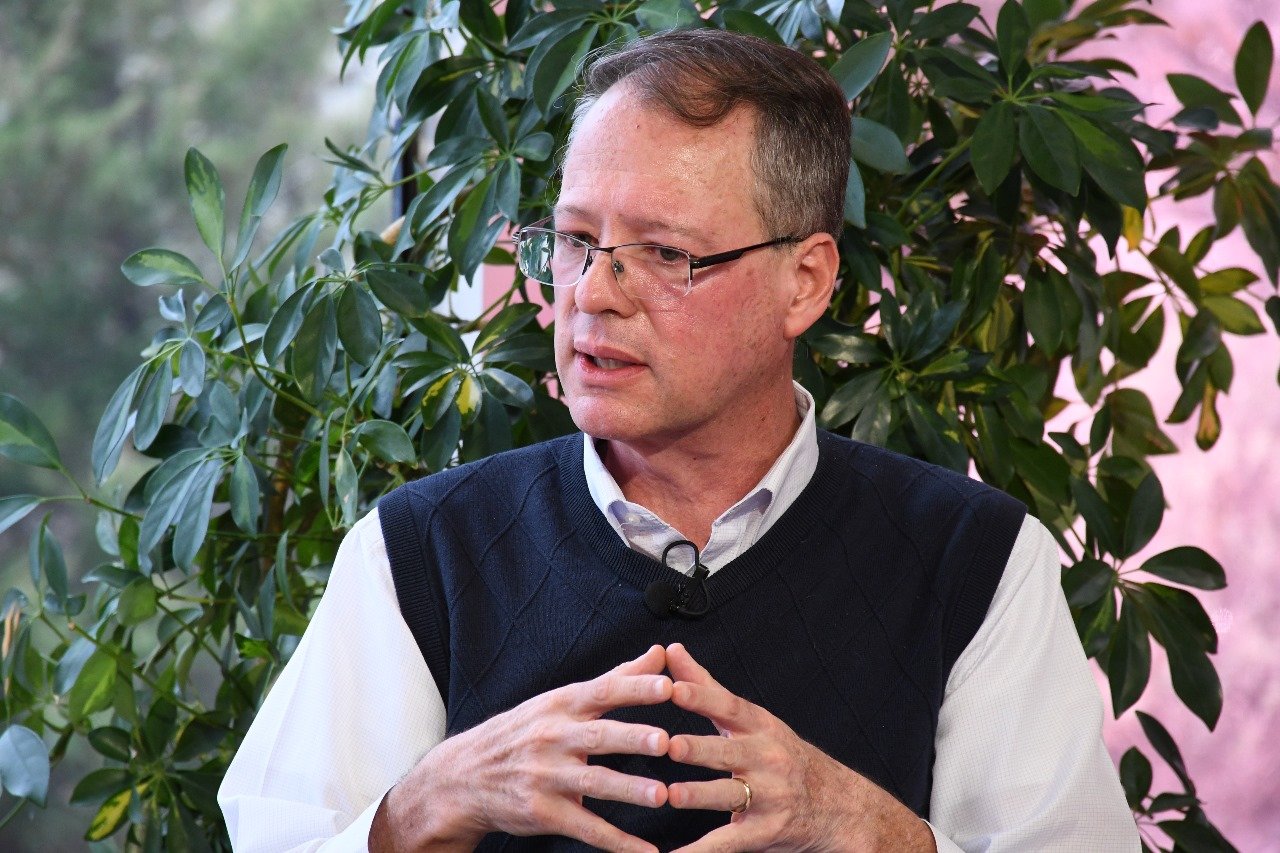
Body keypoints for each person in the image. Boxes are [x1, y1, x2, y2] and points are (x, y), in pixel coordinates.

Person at [218, 28, 1139, 853]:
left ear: (805, 282)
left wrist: (878, 833)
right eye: (575, 240)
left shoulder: (976, 560)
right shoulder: (420, 549)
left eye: (664, 254)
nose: (592, 293)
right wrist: (429, 802)